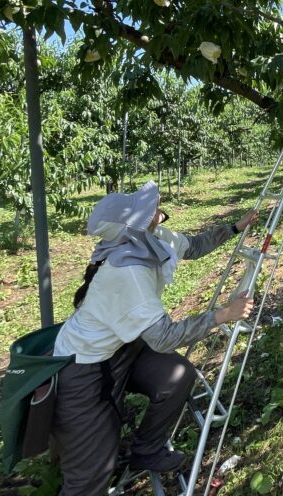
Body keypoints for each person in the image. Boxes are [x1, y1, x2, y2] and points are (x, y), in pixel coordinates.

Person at [52, 180, 259, 496]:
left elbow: (193, 244)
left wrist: (234, 227)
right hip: (84, 368)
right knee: (89, 479)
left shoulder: (150, 239)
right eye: (149, 208)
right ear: (137, 223)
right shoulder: (127, 271)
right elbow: (163, 337)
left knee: (176, 376)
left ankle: (146, 448)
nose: (157, 208)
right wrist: (223, 315)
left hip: (123, 348)